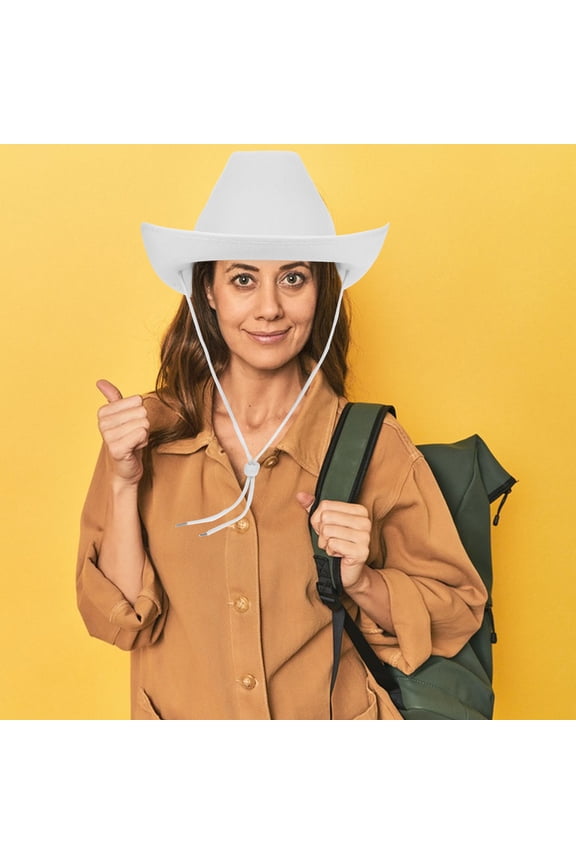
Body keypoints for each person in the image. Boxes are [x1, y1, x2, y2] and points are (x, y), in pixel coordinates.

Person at [76, 151, 487, 720]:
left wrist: (362, 580)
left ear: (320, 291)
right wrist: (124, 483)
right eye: (243, 279)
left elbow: (457, 611)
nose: (269, 308)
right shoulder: (147, 437)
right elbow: (120, 620)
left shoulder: (373, 444)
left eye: (293, 278)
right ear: (210, 292)